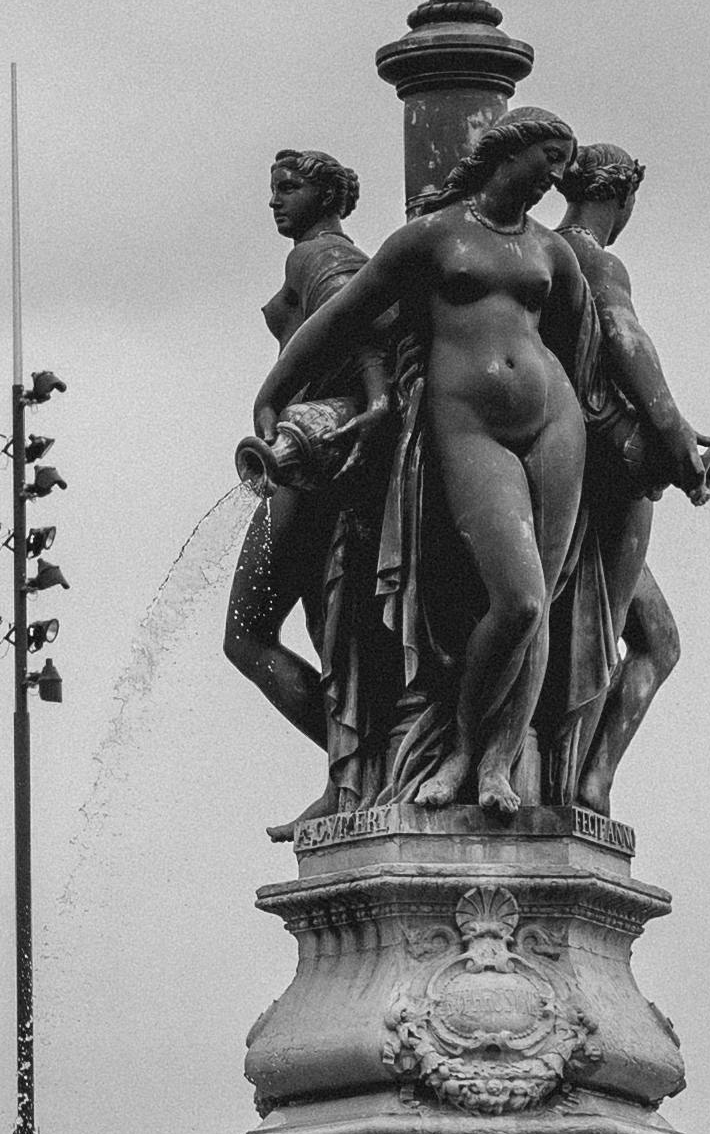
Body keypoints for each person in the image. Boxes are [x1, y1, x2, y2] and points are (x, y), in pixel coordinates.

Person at [251, 108, 593, 820]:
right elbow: (345, 318)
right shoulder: (433, 237)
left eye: (567, 161)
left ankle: (500, 761)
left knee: (544, 608)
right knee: (520, 596)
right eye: (550, 157)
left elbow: (582, 339)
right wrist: (274, 392)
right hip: (467, 423)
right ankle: (463, 748)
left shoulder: (550, 252)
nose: (559, 174)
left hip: (554, 423)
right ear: (508, 152)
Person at [540, 142, 710, 831]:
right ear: (622, 198)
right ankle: (578, 789)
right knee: (620, 633)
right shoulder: (595, 257)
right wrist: (675, 431)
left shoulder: (539, 252)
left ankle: (583, 782)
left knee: (635, 635)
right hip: (607, 474)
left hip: (558, 467)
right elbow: (624, 337)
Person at [223, 149, 383, 767]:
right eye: (273, 189)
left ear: (327, 195)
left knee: (247, 636)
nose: (274, 200)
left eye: (288, 188)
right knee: (330, 631)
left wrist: (376, 395)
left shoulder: (318, 255)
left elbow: (359, 319)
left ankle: (361, 767)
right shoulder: (332, 256)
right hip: (328, 452)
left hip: (306, 460)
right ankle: (356, 771)